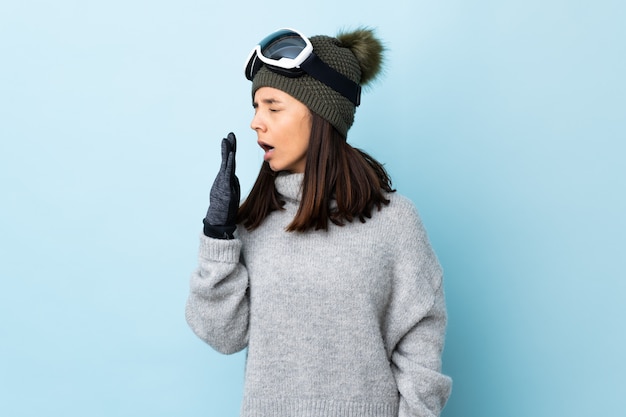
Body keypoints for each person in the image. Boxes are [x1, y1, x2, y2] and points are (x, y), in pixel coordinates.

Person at [186, 27, 452, 417]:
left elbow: (420, 344)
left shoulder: (394, 223)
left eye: (273, 107)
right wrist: (218, 235)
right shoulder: (255, 221)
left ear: (321, 116)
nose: (256, 122)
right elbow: (224, 335)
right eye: (256, 107)